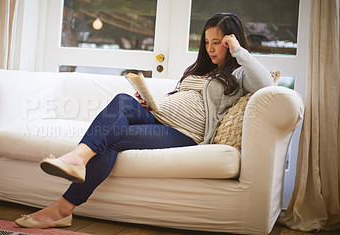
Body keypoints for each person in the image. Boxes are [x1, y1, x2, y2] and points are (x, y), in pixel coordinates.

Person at [15, 12, 273, 228]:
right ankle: (78, 160)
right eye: (206, 42)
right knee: (123, 99)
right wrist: (150, 103)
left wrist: (238, 50)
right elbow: (180, 100)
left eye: (217, 42)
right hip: (158, 117)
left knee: (112, 141)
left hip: (185, 134)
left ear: (230, 41)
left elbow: (266, 83)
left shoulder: (239, 73)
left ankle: (62, 207)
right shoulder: (199, 69)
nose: (210, 48)